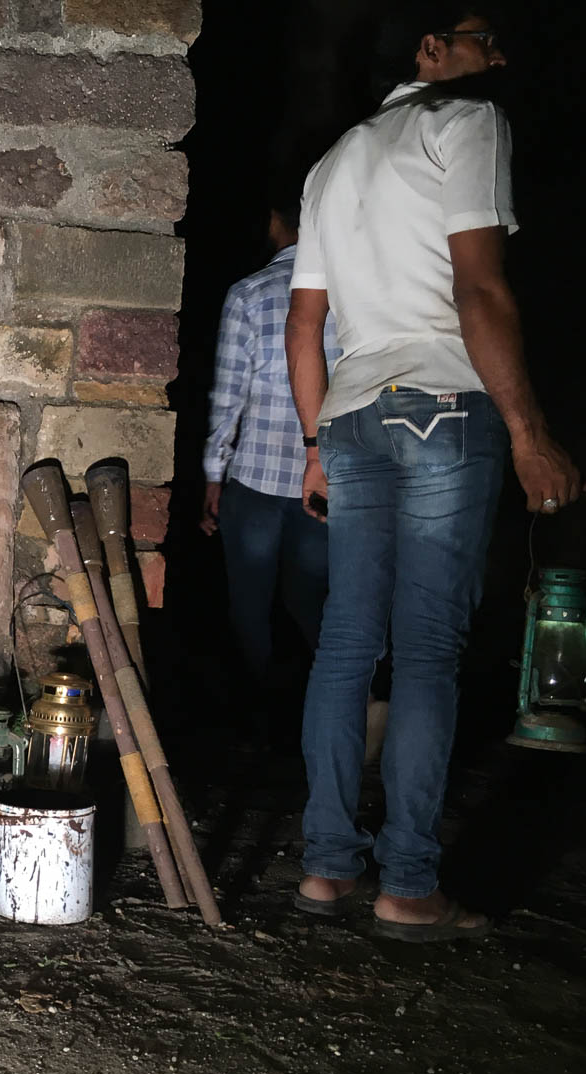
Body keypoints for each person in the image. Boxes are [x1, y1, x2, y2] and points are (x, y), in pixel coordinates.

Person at [286, 4, 583, 940]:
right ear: (432, 50)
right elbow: (479, 286)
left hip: (352, 414)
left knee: (345, 645)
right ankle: (407, 882)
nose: (499, 56)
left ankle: (327, 866)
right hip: (445, 402)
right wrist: (530, 432)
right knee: (425, 651)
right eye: (483, 39)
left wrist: (314, 446)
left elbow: (305, 323)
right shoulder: (470, 121)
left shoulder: (333, 162)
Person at [201, 202, 340, 745]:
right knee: (316, 600)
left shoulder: (249, 293)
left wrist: (213, 474)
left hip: (256, 478)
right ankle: (335, 709)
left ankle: (256, 719)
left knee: (249, 603)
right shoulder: (348, 294)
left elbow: (228, 395)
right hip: (325, 478)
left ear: (275, 221)